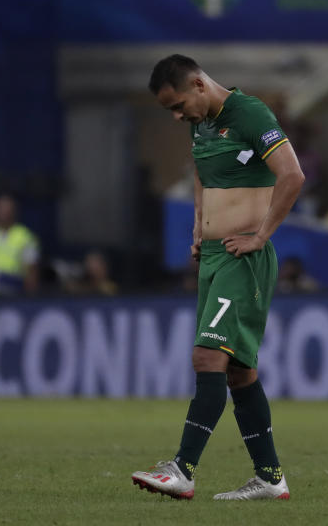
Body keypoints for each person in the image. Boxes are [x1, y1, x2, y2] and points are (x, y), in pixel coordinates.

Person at [132, 54, 304, 501]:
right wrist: (198, 228)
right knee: (239, 373)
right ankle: (270, 478)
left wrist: (261, 236)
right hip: (213, 255)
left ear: (198, 84)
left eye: (177, 104)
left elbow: (292, 175)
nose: (176, 116)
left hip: (241, 258)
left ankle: (183, 469)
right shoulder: (200, 123)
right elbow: (202, 176)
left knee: (208, 358)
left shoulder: (250, 114)